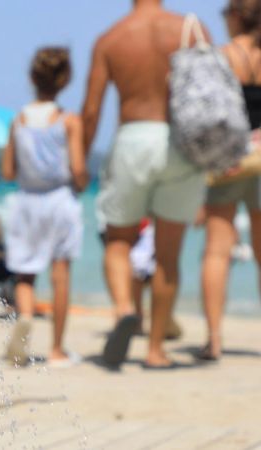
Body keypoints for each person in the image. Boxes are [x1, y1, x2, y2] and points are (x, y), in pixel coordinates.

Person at [82, 0, 208, 369]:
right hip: (181, 144)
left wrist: (78, 161)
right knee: (168, 255)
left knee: (119, 241)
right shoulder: (192, 30)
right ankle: (156, 351)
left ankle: (125, 308)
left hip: (133, 138)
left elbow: (91, 110)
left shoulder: (111, 39)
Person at [198, 0, 261, 361]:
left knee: (216, 250)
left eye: (226, 12)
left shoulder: (219, 55)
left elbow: (205, 115)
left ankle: (214, 341)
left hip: (227, 155)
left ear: (238, 15)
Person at [2, 47, 88, 367]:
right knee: (60, 273)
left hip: (26, 201)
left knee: (25, 273)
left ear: (31, 78)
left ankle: (24, 316)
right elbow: (78, 169)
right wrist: (82, 180)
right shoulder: (68, 121)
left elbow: (8, 171)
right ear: (65, 80)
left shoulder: (19, 120)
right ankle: (56, 350)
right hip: (59, 200)